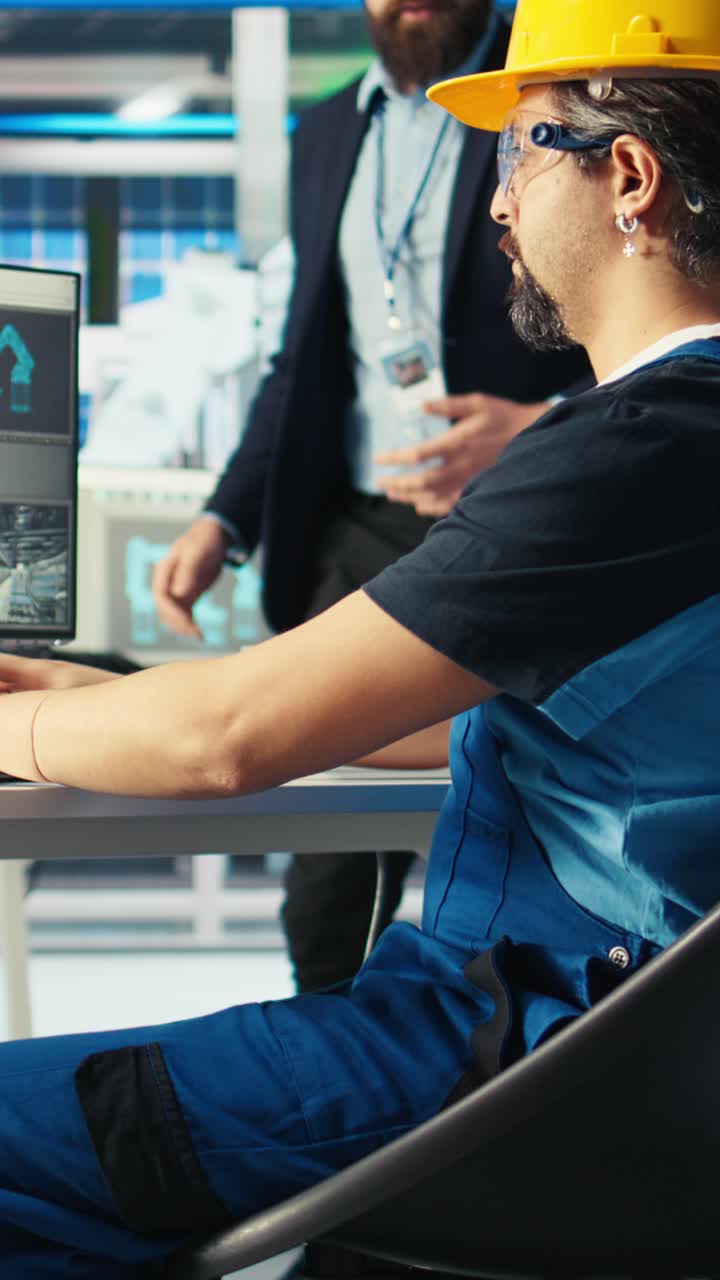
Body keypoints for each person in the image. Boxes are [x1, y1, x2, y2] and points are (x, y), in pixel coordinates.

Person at [3, 0, 720, 1272]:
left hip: (504, 1049)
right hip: (642, 1078)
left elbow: (226, 742)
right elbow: (556, 718)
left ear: (629, 176)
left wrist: (28, 726)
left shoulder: (633, 449)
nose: (498, 204)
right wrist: (102, 694)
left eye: (521, 148)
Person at [152, 0, 591, 995]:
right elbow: (303, 359)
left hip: (523, 522)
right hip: (360, 525)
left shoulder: (551, 98)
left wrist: (544, 428)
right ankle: (333, 1049)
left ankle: (534, 1056)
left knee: (529, 820)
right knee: (328, 876)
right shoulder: (325, 132)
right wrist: (224, 517)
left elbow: (656, 309)